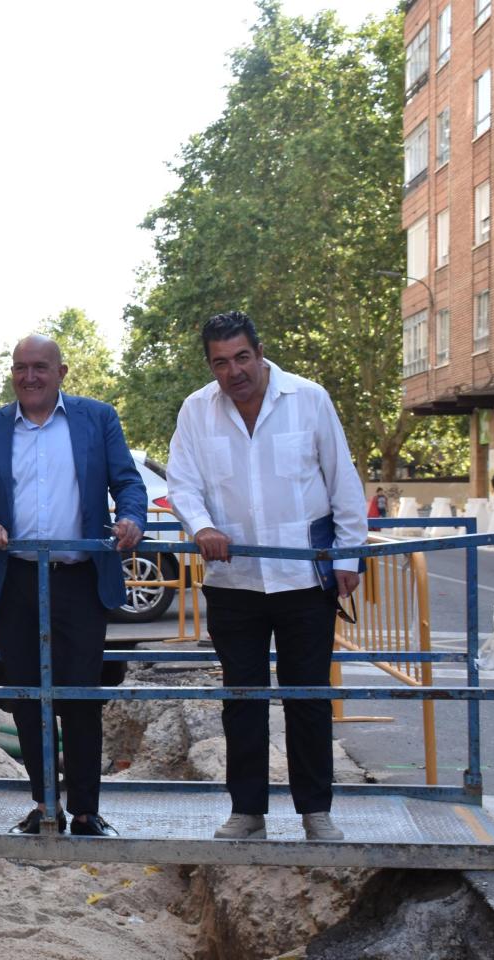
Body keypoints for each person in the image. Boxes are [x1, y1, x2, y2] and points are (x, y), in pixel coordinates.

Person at [166, 311, 366, 842]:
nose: (233, 371)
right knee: (242, 700)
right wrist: (202, 525)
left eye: (241, 357)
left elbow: (342, 480)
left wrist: (348, 558)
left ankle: (315, 811)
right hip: (234, 584)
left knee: (308, 698)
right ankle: (247, 810)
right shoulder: (195, 411)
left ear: (260, 352)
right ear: (210, 366)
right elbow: (182, 484)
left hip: (304, 581)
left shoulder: (309, 399)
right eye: (220, 363)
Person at [0, 334, 146, 837]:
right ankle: (45, 807)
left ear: (61, 372)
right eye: (21, 367)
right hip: (14, 581)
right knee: (27, 698)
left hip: (79, 581)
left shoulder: (96, 419)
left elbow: (128, 482)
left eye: (40, 367)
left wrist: (132, 518)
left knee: (80, 696)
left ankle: (85, 811)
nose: (30, 377)